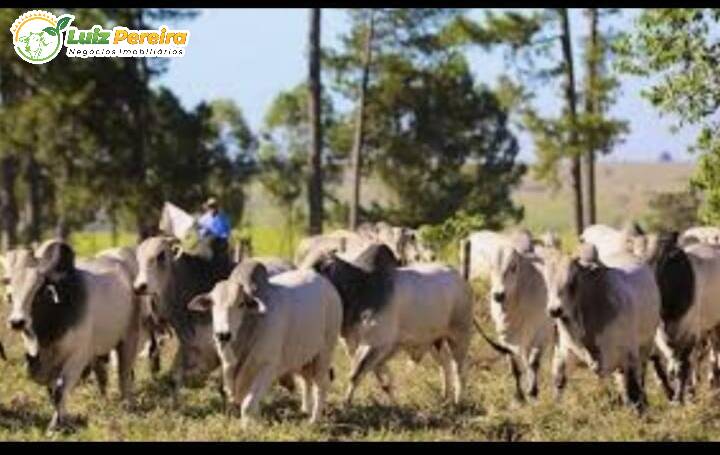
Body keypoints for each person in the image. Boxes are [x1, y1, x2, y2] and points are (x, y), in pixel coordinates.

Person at [197, 197, 232, 263]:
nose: (212, 208)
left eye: (214, 206)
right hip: (207, 240)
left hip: (220, 241)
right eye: (211, 206)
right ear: (208, 207)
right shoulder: (203, 219)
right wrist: (205, 232)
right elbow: (200, 231)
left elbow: (227, 231)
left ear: (217, 207)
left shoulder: (224, 218)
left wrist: (219, 235)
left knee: (220, 252)